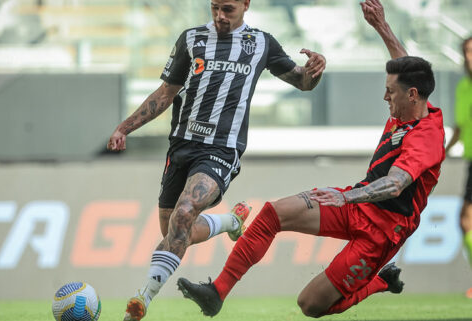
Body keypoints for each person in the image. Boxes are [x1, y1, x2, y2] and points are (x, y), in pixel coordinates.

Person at [177, 0, 445, 317]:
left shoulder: (427, 137)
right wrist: (381, 25)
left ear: (413, 95)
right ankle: (216, 292)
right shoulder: (409, 108)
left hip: (384, 231)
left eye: (391, 92)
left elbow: (396, 184)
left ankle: (380, 282)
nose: (385, 97)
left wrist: (346, 199)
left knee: (310, 305)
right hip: (358, 202)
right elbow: (405, 65)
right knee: (273, 213)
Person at [107, 0, 326, 319]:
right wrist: (124, 128)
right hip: (181, 146)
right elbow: (166, 93)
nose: (220, 16)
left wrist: (314, 73)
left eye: (228, 9)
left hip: (222, 149)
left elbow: (302, 82)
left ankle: (141, 301)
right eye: (214, 8)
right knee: (174, 232)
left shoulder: (261, 43)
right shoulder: (191, 38)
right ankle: (230, 222)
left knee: (185, 212)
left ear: (246, 5)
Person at [445, 35, 472, 298]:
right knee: (465, 222)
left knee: (466, 220)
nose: (468, 57)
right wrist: (440, 153)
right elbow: (461, 127)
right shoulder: (464, 87)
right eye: (466, 51)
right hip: (471, 161)